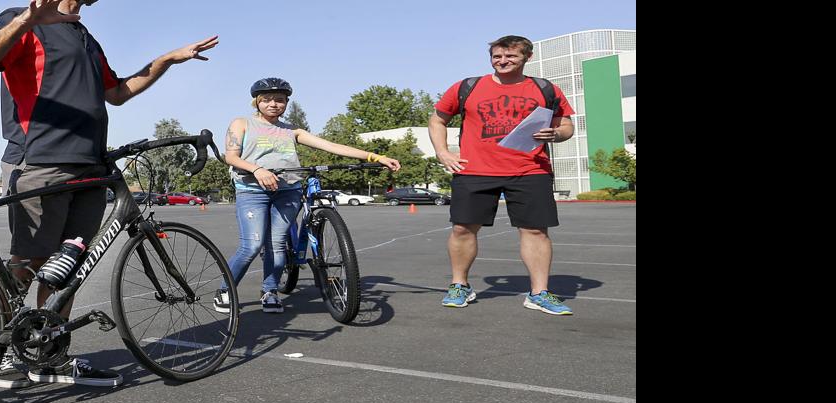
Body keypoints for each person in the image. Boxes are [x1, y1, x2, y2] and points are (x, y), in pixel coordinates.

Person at [0, 0, 218, 386]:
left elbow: (115, 92)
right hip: (41, 160)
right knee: (30, 259)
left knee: (70, 265)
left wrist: (165, 60)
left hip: (90, 164)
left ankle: (49, 355)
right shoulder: (24, 19)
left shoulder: (83, 35)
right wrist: (28, 18)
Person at [217, 78, 399, 314]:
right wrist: (257, 169)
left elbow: (331, 146)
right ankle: (224, 291)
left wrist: (375, 157)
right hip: (252, 191)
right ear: (257, 102)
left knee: (277, 245)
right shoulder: (241, 124)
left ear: (286, 103)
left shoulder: (292, 130)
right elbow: (230, 156)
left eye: (280, 100)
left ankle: (270, 290)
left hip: (288, 191)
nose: (274, 104)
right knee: (252, 245)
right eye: (267, 100)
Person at [429, 34, 577, 315]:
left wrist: (556, 134)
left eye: (510, 56)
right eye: (497, 56)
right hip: (474, 169)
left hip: (530, 170)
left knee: (535, 230)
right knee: (462, 228)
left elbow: (566, 126)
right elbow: (437, 119)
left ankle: (539, 293)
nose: (502, 61)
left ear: (526, 58)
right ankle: (460, 285)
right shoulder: (468, 87)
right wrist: (443, 152)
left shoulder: (545, 88)